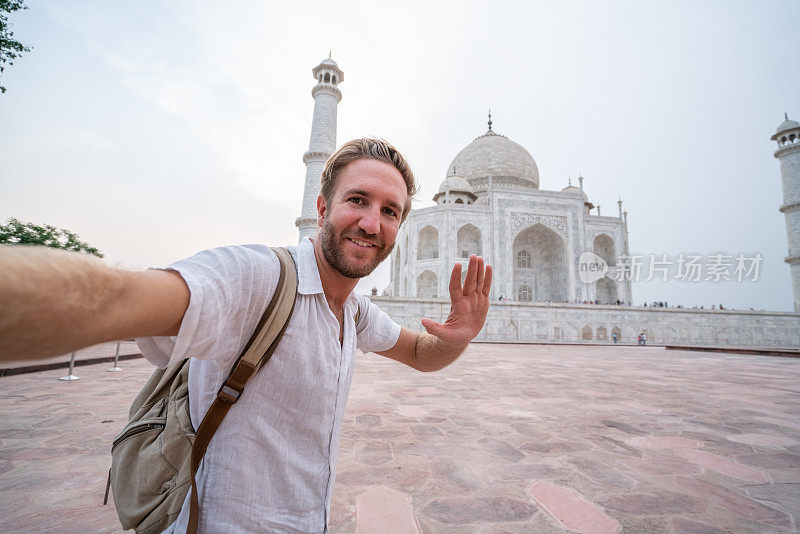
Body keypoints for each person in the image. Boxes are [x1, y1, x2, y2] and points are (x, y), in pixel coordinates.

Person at [0, 138, 493, 534]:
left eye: (390, 211)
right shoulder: (254, 278)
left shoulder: (356, 313)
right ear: (321, 207)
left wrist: (459, 336)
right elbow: (112, 299)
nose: (371, 223)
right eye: (357, 200)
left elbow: (423, 355)